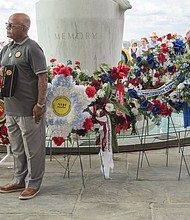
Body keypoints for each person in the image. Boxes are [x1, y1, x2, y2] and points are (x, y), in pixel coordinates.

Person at [0, 13, 48, 200]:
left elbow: (42, 77)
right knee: (18, 148)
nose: (8, 27)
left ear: (24, 28)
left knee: (33, 149)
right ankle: (19, 179)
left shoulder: (32, 48)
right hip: (11, 107)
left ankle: (33, 184)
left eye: (12, 25)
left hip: (29, 109)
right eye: (7, 24)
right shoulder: (6, 49)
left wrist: (40, 104)